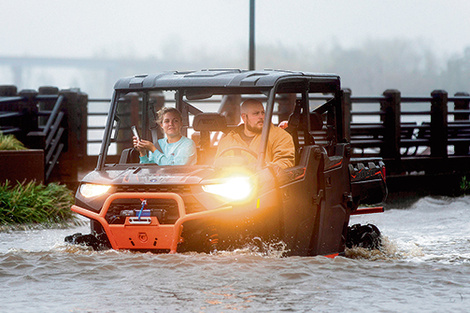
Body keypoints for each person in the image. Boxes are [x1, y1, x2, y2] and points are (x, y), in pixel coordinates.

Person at [215, 99, 295, 169]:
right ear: (244, 117)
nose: (261, 117)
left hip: (268, 183)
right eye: (256, 114)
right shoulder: (227, 141)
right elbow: (217, 167)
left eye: (263, 113)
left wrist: (265, 170)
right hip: (231, 184)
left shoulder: (280, 136)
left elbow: (285, 162)